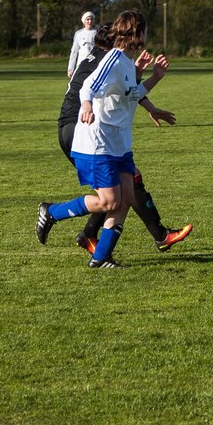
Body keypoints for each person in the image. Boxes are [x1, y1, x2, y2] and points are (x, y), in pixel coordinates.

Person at [36, 10, 168, 269]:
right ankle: (50, 212)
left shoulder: (128, 63)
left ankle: (101, 257)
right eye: (145, 30)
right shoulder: (115, 58)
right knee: (108, 201)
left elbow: (130, 97)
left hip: (118, 144)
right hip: (98, 142)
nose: (147, 35)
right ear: (136, 33)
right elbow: (88, 85)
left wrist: (155, 78)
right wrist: (85, 104)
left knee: (126, 198)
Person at [55, 22, 192, 258]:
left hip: (84, 127)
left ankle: (97, 242)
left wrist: (145, 86)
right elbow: (99, 89)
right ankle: (55, 214)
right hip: (82, 127)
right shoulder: (109, 60)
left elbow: (125, 90)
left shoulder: (108, 58)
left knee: (121, 190)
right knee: (116, 194)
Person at [67, 11, 98, 78]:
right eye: (88, 19)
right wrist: (70, 69)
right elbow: (74, 51)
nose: (90, 21)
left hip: (94, 64)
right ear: (84, 21)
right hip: (81, 64)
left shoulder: (97, 33)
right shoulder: (78, 34)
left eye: (91, 19)